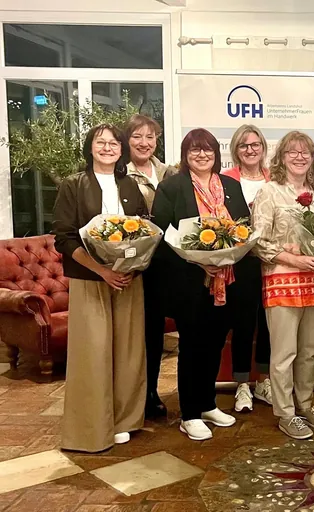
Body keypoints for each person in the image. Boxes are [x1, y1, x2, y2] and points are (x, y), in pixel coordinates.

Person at [54, 124, 148, 452]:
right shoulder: (73, 185)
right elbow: (64, 238)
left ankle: (125, 420)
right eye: (101, 142)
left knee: (128, 353)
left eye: (113, 143)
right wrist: (101, 270)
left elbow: (144, 229)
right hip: (89, 278)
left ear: (122, 150)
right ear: (90, 147)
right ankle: (91, 428)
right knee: (92, 354)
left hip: (127, 279)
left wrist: (128, 266)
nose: (107, 147)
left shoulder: (130, 185)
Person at [152, 128, 249, 441]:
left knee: (215, 343)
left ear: (216, 154)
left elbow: (244, 228)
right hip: (189, 282)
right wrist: (196, 259)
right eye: (195, 150)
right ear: (185, 155)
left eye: (207, 149)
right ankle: (189, 413)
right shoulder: (172, 187)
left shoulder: (231, 186)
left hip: (227, 281)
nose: (202, 155)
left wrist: (231, 252)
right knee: (192, 346)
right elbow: (162, 232)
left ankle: (207, 403)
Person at [251, 131, 314, 440]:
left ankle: (306, 404)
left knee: (310, 350)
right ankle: (285, 412)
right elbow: (258, 241)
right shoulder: (269, 192)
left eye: (305, 153)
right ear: (281, 157)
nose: (299, 157)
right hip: (282, 279)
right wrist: (294, 260)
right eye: (292, 152)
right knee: (284, 352)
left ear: (312, 158)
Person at [124, 114, 176, 420]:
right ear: (127, 141)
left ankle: (152, 391)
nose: (145, 143)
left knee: (154, 332)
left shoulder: (167, 172)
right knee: (136, 333)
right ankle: (131, 395)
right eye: (137, 137)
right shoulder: (121, 174)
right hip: (134, 262)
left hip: (166, 262)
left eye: (151, 137)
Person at [222, 125, 272, 412]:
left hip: (272, 260)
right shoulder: (225, 180)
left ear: (263, 148)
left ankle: (264, 381)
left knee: (268, 324)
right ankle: (242, 384)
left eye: (255, 145)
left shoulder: (274, 179)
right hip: (241, 263)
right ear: (236, 151)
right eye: (244, 145)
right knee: (243, 324)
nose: (250, 150)